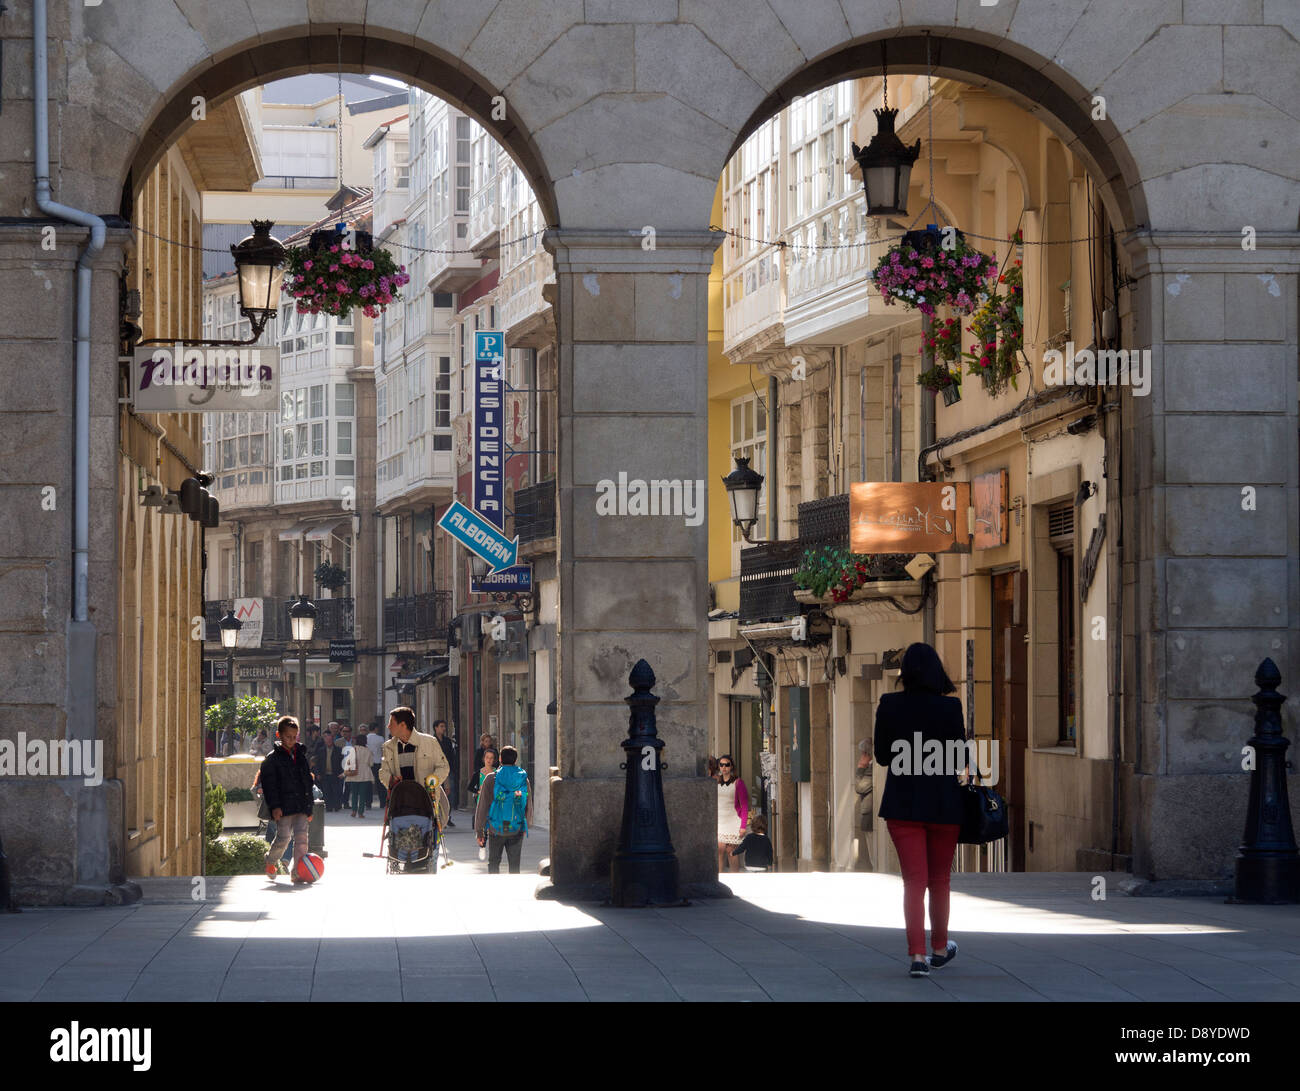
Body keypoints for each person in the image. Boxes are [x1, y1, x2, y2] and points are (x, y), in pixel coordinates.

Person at [874, 642, 967, 978]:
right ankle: (940, 948)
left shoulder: (889, 705)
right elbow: (959, 759)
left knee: (914, 881)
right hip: (944, 805)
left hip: (903, 806)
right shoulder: (950, 709)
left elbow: (883, 756)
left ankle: (917, 956)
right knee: (940, 880)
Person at [259, 716, 315, 883]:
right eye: (288, 737)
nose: (291, 740)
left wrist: (309, 807)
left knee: (302, 839)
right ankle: (270, 860)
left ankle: (297, 871)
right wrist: (275, 806)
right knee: (283, 838)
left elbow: (307, 782)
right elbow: (270, 786)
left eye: (294, 737)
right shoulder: (272, 759)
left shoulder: (302, 756)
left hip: (301, 806)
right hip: (283, 806)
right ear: (279, 735)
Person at [474, 744, 530, 874]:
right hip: (516, 827)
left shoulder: (490, 778)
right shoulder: (523, 779)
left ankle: (494, 890)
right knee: (515, 864)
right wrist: (526, 825)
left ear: (499, 759)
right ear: (515, 760)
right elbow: (528, 804)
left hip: (495, 827)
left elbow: (482, 807)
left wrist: (480, 831)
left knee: (494, 862)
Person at [378, 706, 450, 795]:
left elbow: (443, 767)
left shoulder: (430, 742)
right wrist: (390, 780)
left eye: (391, 723)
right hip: (400, 800)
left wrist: (431, 783)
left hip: (425, 800)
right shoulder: (388, 746)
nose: (388, 726)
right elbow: (383, 771)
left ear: (403, 725)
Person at [716, 754, 748, 873]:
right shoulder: (716, 781)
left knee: (731, 852)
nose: (724, 767)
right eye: (721, 765)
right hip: (720, 820)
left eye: (727, 765)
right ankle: (719, 878)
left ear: (731, 766)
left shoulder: (738, 782)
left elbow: (744, 805)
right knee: (719, 850)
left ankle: (734, 878)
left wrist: (743, 826)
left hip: (734, 820)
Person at [432, 719, 458, 826]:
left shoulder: (447, 741)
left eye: (444, 727)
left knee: (449, 794)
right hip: (435, 771)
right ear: (436, 727)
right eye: (441, 726)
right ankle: (436, 817)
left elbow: (451, 756)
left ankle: (447, 817)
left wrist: (452, 768)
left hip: (447, 771)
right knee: (436, 794)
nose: (443, 729)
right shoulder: (432, 741)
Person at [854, 740, 875, 872]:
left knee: (872, 848)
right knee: (869, 845)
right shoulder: (870, 767)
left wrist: (860, 768)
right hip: (868, 813)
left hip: (870, 812)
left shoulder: (870, 768)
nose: (861, 756)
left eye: (863, 752)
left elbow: (860, 787)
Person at [344, 727, 372, 818]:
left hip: (354, 774)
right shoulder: (368, 751)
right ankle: (361, 812)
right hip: (365, 774)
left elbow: (349, 761)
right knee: (363, 794)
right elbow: (370, 763)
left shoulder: (353, 749)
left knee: (354, 794)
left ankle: (354, 811)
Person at [468, 747, 498, 811]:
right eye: (487, 757)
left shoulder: (497, 772)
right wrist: (478, 791)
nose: (489, 760)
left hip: (494, 802)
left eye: (491, 758)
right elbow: (470, 787)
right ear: (484, 758)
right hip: (481, 802)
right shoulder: (478, 773)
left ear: (494, 760)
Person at [367, 720, 387, 809]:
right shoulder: (380, 738)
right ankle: (382, 802)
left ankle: (368, 802)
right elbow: (383, 750)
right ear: (376, 729)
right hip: (379, 762)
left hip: (369, 763)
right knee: (380, 783)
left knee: (369, 783)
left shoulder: (366, 738)